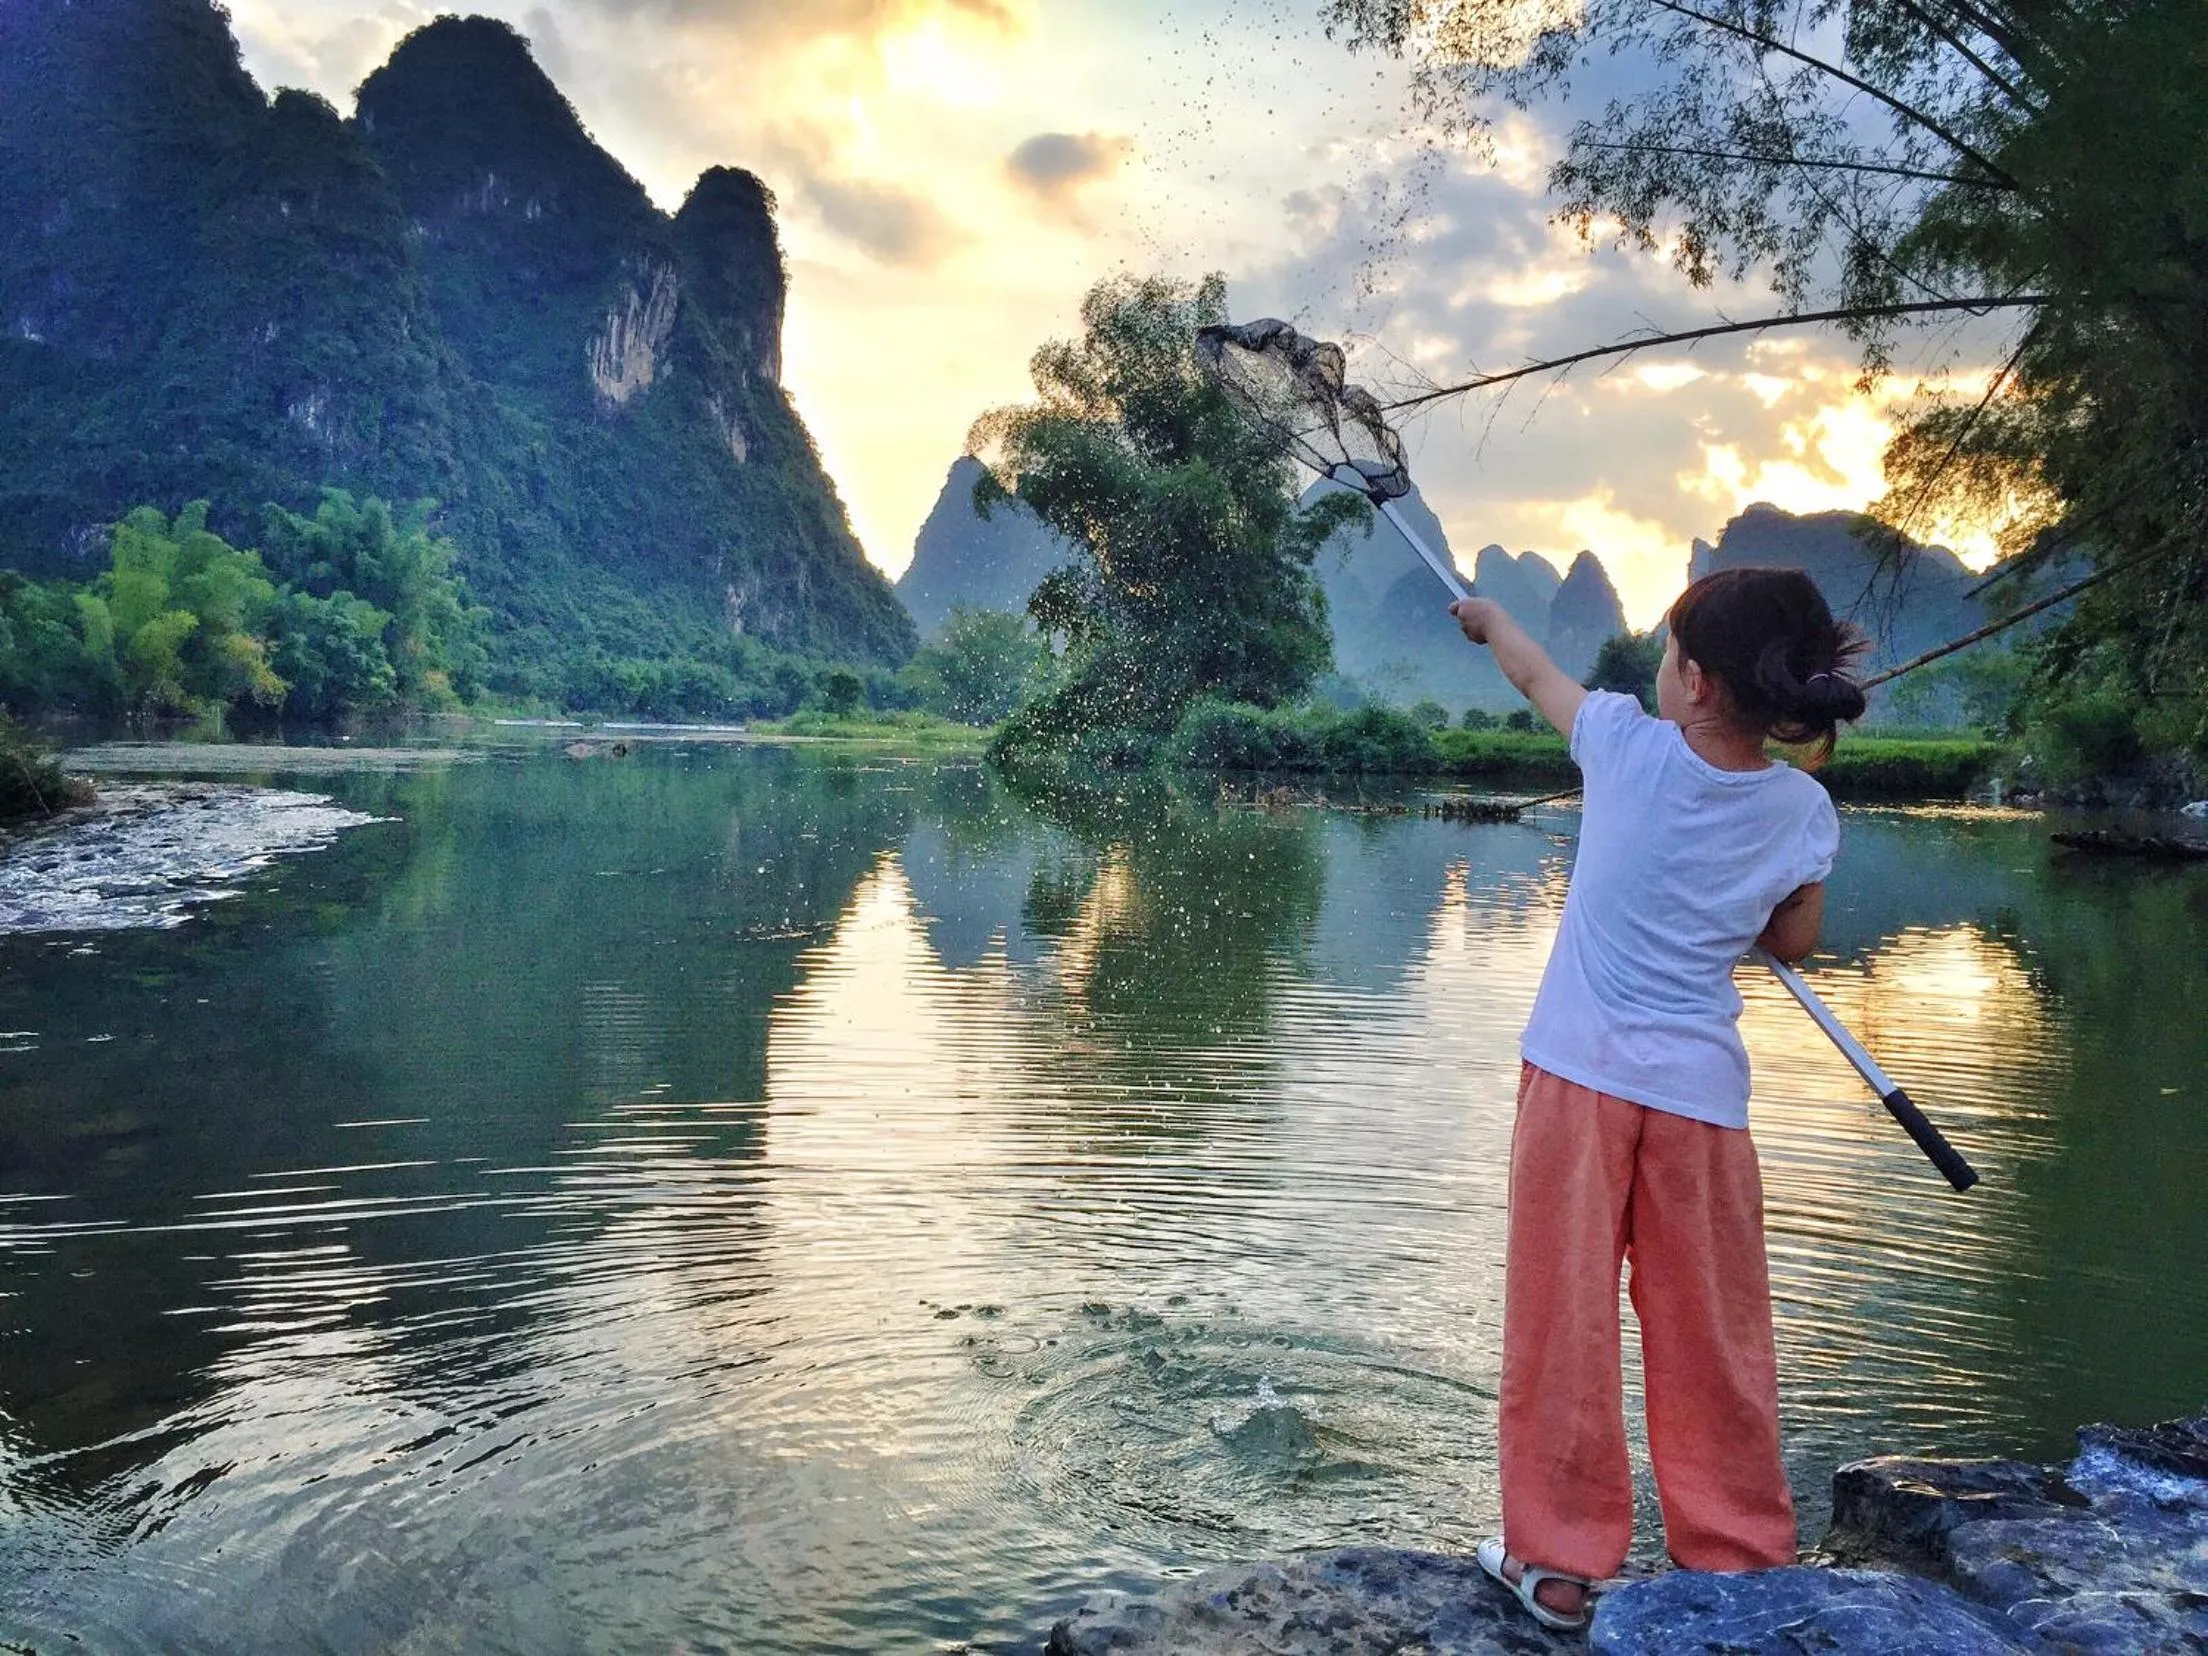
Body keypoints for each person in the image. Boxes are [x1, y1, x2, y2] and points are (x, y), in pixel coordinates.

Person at [1447, 566, 1869, 1633]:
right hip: (1701, 1105)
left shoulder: (1623, 745)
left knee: (1564, 1318)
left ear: (1695, 680)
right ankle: (1737, 1561)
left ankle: (1557, 1565)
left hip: (1577, 1083)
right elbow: (1791, 939)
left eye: (1669, 655)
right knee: (1712, 1332)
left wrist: (1491, 620)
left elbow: (1535, 675)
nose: (1659, 673)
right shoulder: (1801, 808)